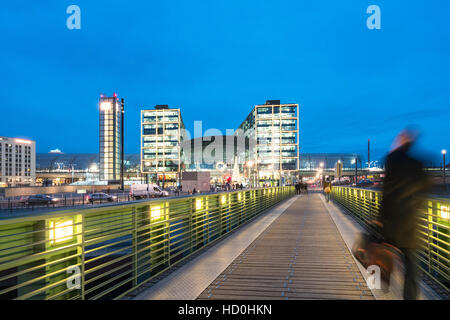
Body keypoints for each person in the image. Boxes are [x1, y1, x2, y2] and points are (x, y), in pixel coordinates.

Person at [378, 128, 430, 300]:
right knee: (412, 270)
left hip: (391, 223)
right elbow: (426, 189)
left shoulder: (391, 160)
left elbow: (385, 193)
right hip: (411, 224)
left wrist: (380, 218)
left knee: (380, 257)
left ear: (400, 141)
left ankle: (378, 286)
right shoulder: (419, 164)